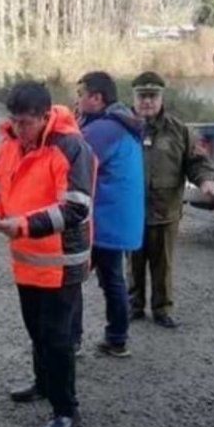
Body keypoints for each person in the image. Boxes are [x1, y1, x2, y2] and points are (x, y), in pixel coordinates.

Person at [0, 81, 95, 427]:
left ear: (45, 117)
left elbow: (76, 208)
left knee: (58, 338)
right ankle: (43, 384)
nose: (19, 129)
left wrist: (24, 225)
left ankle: (66, 410)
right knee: (36, 330)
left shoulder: (69, 147)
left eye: (26, 122)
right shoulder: (7, 146)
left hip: (61, 261)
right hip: (26, 258)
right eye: (14, 121)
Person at [127, 72, 214, 328]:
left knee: (163, 264)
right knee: (133, 263)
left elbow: (197, 161)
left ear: (161, 98)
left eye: (152, 96)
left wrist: (205, 179)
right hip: (131, 211)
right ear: (133, 98)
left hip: (165, 211)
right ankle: (133, 305)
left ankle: (162, 308)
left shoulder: (180, 130)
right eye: (142, 96)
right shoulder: (123, 128)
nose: (147, 101)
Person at [71, 71, 144, 358]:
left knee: (72, 280)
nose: (77, 100)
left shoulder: (103, 130)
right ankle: (117, 339)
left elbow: (71, 161)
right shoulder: (120, 122)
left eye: (81, 94)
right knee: (113, 280)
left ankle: (71, 341)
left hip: (102, 220)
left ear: (96, 98)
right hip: (117, 220)